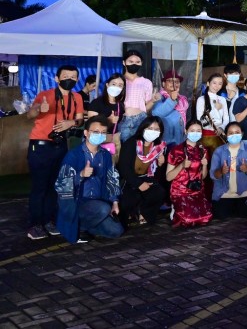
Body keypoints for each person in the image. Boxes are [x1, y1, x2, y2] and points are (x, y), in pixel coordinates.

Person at [26, 64, 84, 240]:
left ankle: (49, 221)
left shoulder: (77, 98)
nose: (70, 79)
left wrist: (70, 123)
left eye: (73, 77)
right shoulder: (45, 95)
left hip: (61, 145)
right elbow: (30, 114)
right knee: (39, 187)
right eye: (66, 76)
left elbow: (80, 120)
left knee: (54, 186)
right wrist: (38, 109)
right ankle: (35, 225)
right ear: (56, 78)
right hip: (40, 145)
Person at [54, 116, 123, 244]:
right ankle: (78, 228)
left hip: (97, 202)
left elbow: (112, 178)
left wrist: (114, 202)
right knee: (103, 209)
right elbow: (61, 185)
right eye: (96, 132)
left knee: (116, 231)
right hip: (78, 203)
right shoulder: (74, 155)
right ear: (86, 133)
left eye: (103, 132)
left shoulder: (106, 155)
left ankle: (86, 225)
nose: (100, 135)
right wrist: (80, 174)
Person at [117, 116, 168, 227]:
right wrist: (138, 183)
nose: (153, 132)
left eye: (156, 129)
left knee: (158, 192)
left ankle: (144, 214)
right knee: (129, 199)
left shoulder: (159, 147)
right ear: (143, 128)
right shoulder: (131, 144)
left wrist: (160, 164)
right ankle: (131, 214)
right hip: (130, 179)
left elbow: (158, 174)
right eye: (150, 128)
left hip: (147, 177)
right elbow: (123, 167)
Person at [165, 121, 212, 228]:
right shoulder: (176, 150)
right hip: (180, 190)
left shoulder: (203, 150)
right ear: (186, 131)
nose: (195, 133)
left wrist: (205, 165)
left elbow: (203, 176)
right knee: (188, 220)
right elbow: (168, 177)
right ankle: (175, 208)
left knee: (206, 217)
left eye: (198, 131)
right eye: (192, 131)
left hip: (197, 189)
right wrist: (181, 165)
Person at [210, 122, 247, 220]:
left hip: (244, 193)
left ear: (242, 134)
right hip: (224, 194)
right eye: (231, 133)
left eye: (237, 132)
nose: (234, 135)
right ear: (226, 135)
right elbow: (213, 175)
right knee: (220, 217)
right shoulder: (219, 151)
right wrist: (221, 171)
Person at [120, 51, 156, 144]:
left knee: (139, 147)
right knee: (122, 148)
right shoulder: (119, 81)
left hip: (141, 119)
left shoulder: (146, 82)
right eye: (131, 61)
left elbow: (146, 107)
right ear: (124, 62)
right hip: (122, 119)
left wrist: (153, 100)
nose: (134, 64)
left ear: (141, 63)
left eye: (137, 62)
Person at [86, 73, 125, 159]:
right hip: (98, 138)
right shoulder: (96, 103)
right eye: (113, 84)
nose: (116, 87)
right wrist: (108, 121)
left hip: (114, 138)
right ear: (107, 85)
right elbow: (91, 123)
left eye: (120, 85)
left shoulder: (120, 105)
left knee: (112, 164)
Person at [194, 73, 230, 157]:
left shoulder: (222, 100)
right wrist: (215, 109)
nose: (217, 86)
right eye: (214, 83)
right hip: (206, 136)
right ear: (208, 83)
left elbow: (226, 119)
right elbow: (200, 120)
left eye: (220, 83)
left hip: (219, 136)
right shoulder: (201, 99)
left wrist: (221, 128)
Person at [152, 70, 187, 146]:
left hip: (179, 140)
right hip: (166, 143)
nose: (174, 83)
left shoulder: (182, 100)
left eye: (177, 81)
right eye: (170, 81)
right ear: (163, 83)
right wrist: (171, 99)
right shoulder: (159, 97)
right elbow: (156, 113)